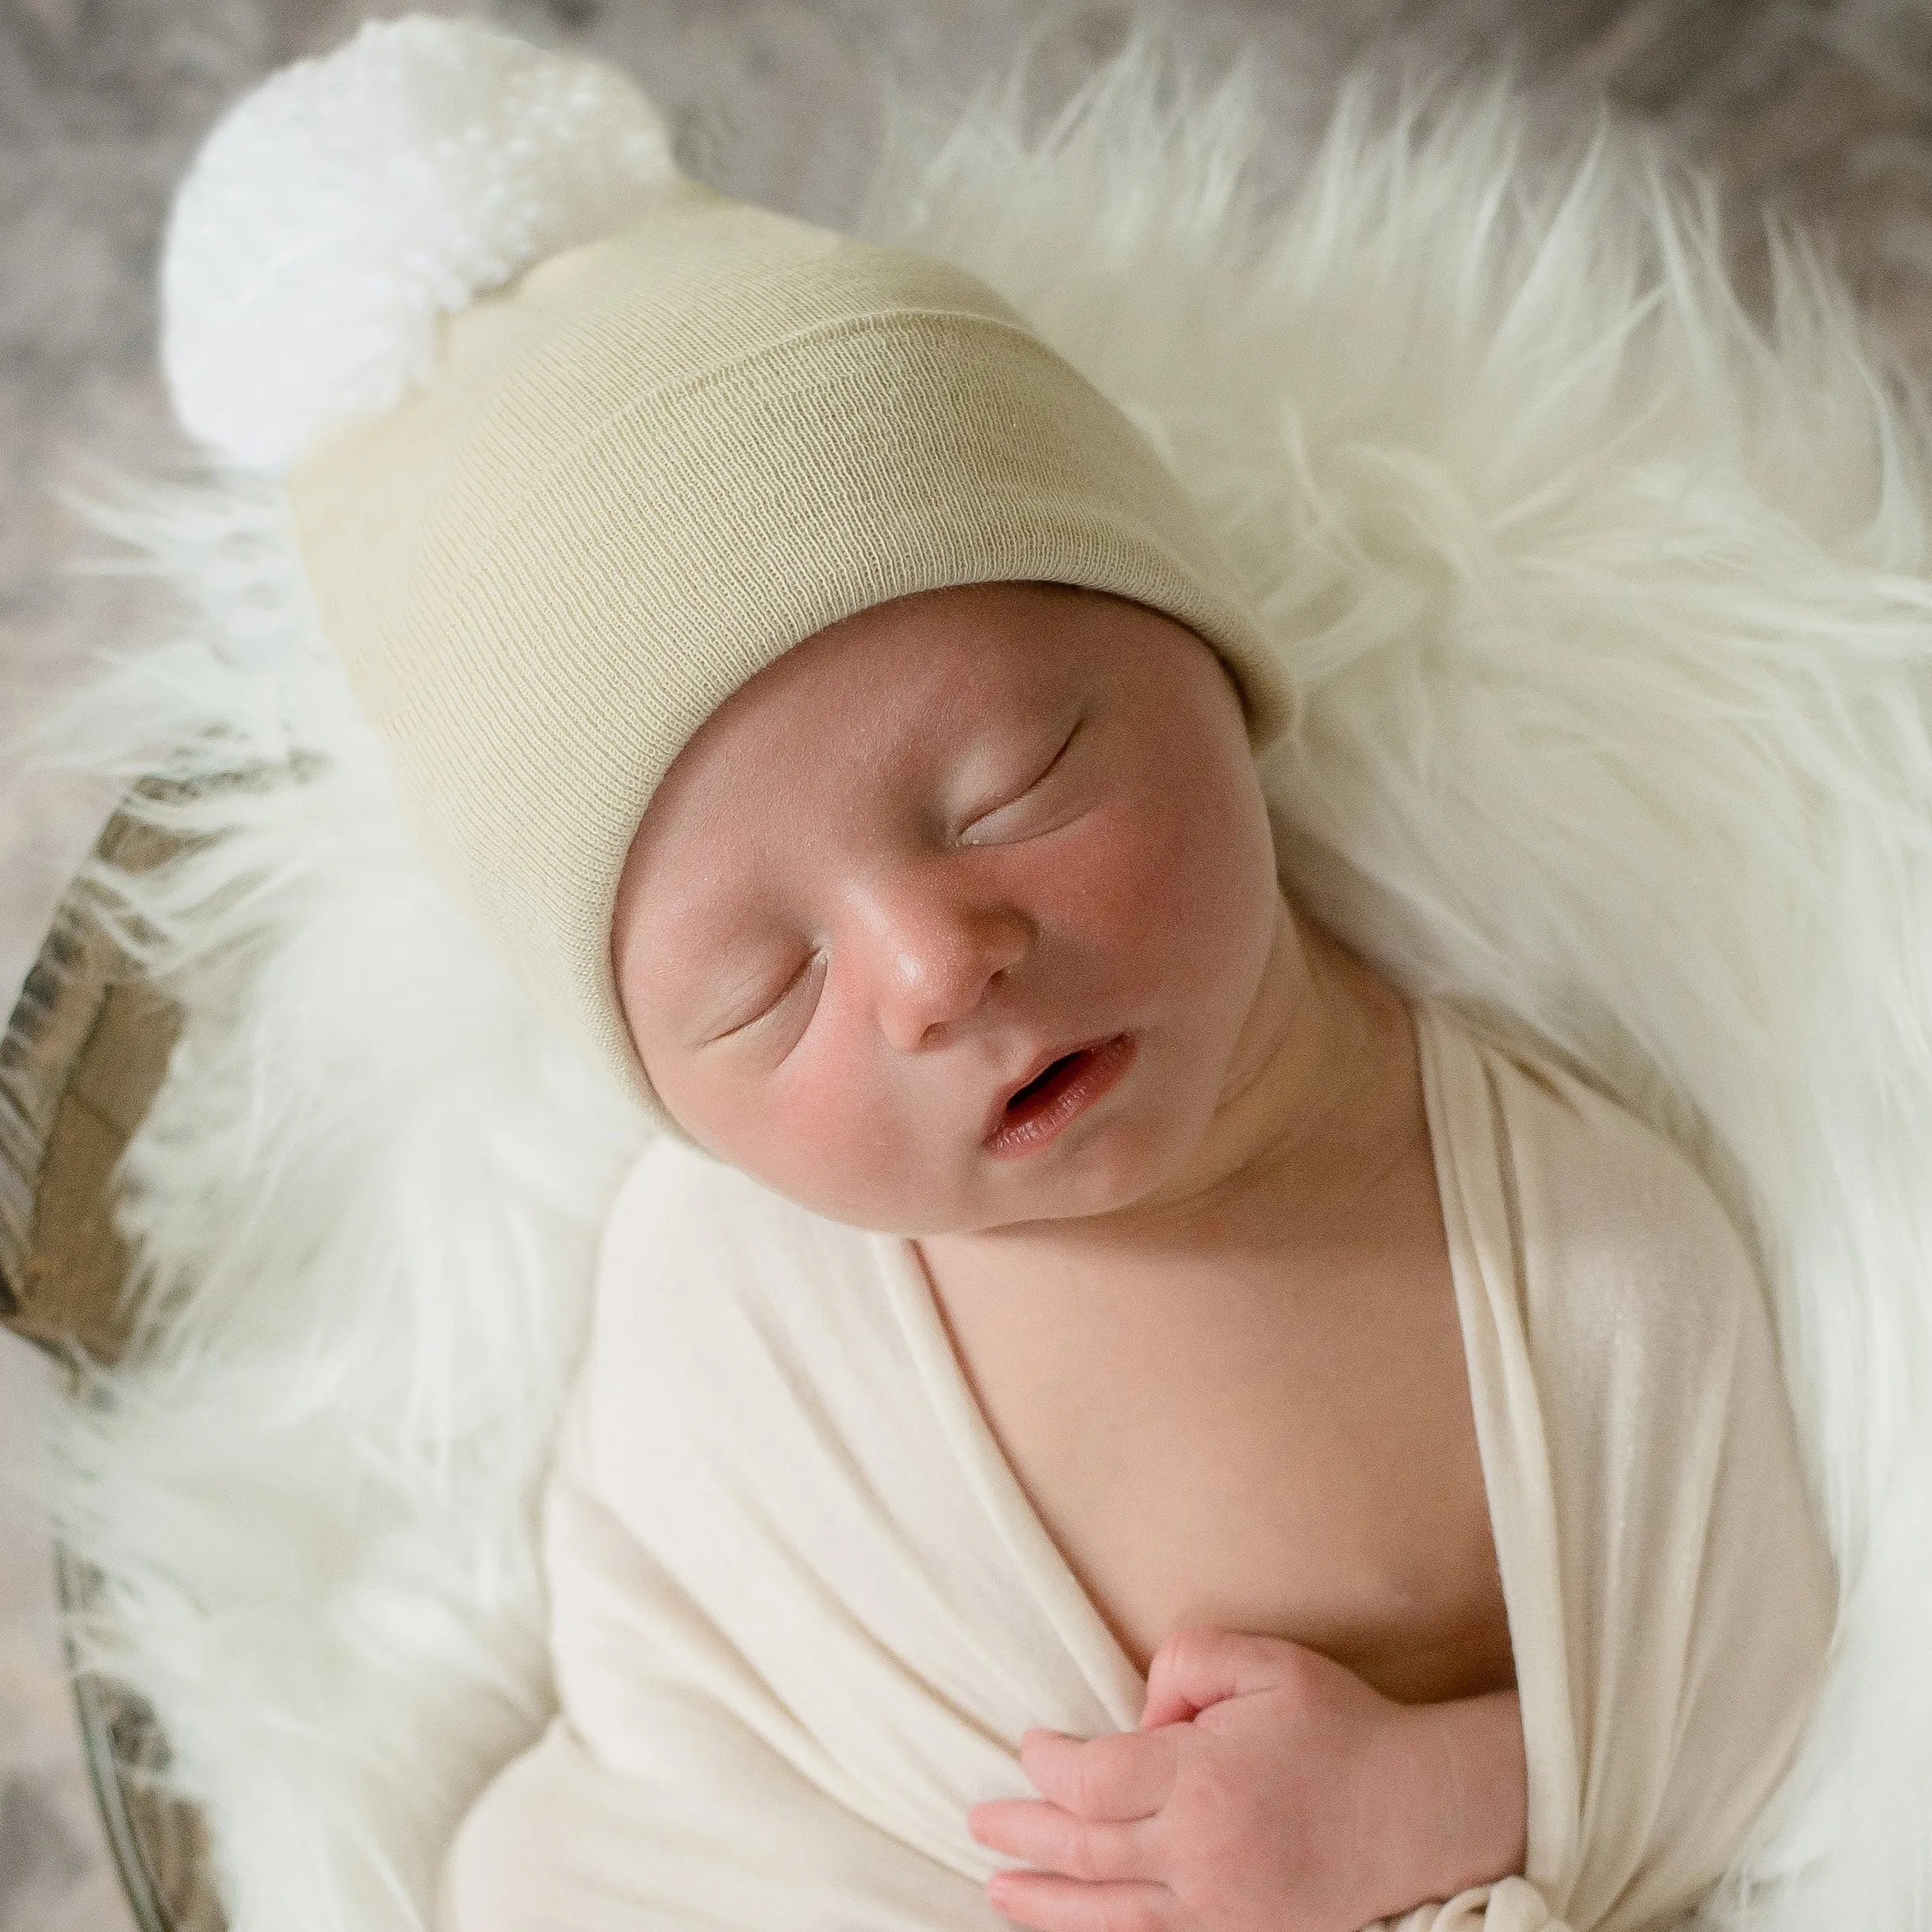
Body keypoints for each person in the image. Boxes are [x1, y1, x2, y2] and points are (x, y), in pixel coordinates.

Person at [158, 19, 1837, 1931]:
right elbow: (680, 1774)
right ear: (660, 1093)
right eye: (759, 988)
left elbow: (1780, 1720)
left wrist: (1440, 1794)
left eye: (1010, 788)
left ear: (1217, 672)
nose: (934, 970)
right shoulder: (722, 1306)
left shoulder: (1584, 1252)